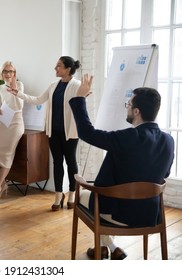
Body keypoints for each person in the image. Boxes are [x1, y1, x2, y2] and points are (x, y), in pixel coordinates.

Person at [70, 74, 175, 260]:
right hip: (150, 214)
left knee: (83, 191)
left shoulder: (128, 137)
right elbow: (164, 174)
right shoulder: (168, 140)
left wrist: (79, 98)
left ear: (136, 111)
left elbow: (87, 133)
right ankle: (108, 247)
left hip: (121, 213)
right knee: (104, 185)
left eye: (128, 105)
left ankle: (105, 246)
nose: (126, 108)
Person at [8, 56, 81, 211]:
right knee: (57, 163)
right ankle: (58, 195)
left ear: (68, 69)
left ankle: (72, 194)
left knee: (71, 162)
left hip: (70, 132)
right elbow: (37, 100)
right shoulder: (53, 86)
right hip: (53, 132)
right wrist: (18, 93)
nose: (56, 68)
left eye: (59, 66)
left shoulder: (76, 85)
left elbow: (82, 100)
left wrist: (85, 93)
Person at [0, 61, 24, 202]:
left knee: (7, 155)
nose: (8, 74)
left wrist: (15, 91)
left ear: (14, 73)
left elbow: (19, 105)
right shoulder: (0, 88)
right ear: (2, 74)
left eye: (11, 71)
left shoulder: (19, 85)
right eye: (5, 71)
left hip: (16, 123)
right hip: (4, 122)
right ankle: (2, 184)